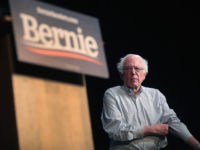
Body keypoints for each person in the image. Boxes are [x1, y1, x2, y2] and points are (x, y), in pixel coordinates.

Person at [101, 54, 200, 150]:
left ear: (145, 74)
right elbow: (115, 130)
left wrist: (196, 144)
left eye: (137, 68)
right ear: (121, 74)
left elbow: (173, 122)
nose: (133, 72)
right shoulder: (112, 94)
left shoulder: (156, 94)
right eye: (128, 68)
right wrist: (149, 130)